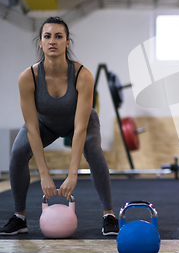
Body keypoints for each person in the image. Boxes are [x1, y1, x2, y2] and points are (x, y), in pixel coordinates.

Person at [0, 17, 119, 236]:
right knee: (17, 152)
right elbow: (32, 127)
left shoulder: (83, 75)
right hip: (44, 123)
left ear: (67, 42)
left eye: (58, 36)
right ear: (40, 42)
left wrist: (72, 174)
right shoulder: (28, 78)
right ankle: (19, 218)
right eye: (47, 36)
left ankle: (109, 215)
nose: (52, 41)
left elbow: (80, 128)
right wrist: (44, 174)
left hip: (80, 123)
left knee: (93, 150)